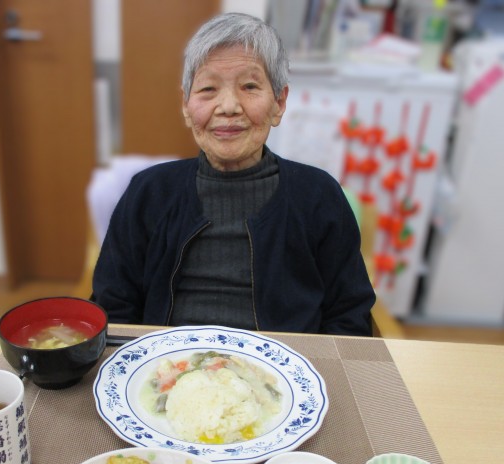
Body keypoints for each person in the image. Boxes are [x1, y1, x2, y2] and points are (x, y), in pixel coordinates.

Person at [92, 12, 375, 336]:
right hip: (168, 360)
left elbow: (349, 316)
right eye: (208, 89)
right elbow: (114, 305)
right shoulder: (149, 191)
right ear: (186, 105)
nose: (228, 106)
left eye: (249, 86)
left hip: (284, 362)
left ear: (279, 103)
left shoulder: (318, 195)